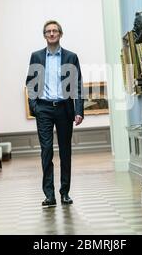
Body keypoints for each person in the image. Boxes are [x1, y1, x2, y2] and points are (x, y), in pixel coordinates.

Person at [26, 20, 84, 207]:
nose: (52, 34)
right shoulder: (36, 56)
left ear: (60, 34)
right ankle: (49, 195)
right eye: (48, 31)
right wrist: (34, 105)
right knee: (46, 151)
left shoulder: (71, 57)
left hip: (64, 108)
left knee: (65, 151)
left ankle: (65, 193)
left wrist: (79, 110)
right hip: (43, 108)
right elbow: (31, 83)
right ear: (44, 35)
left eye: (55, 31)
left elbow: (77, 85)